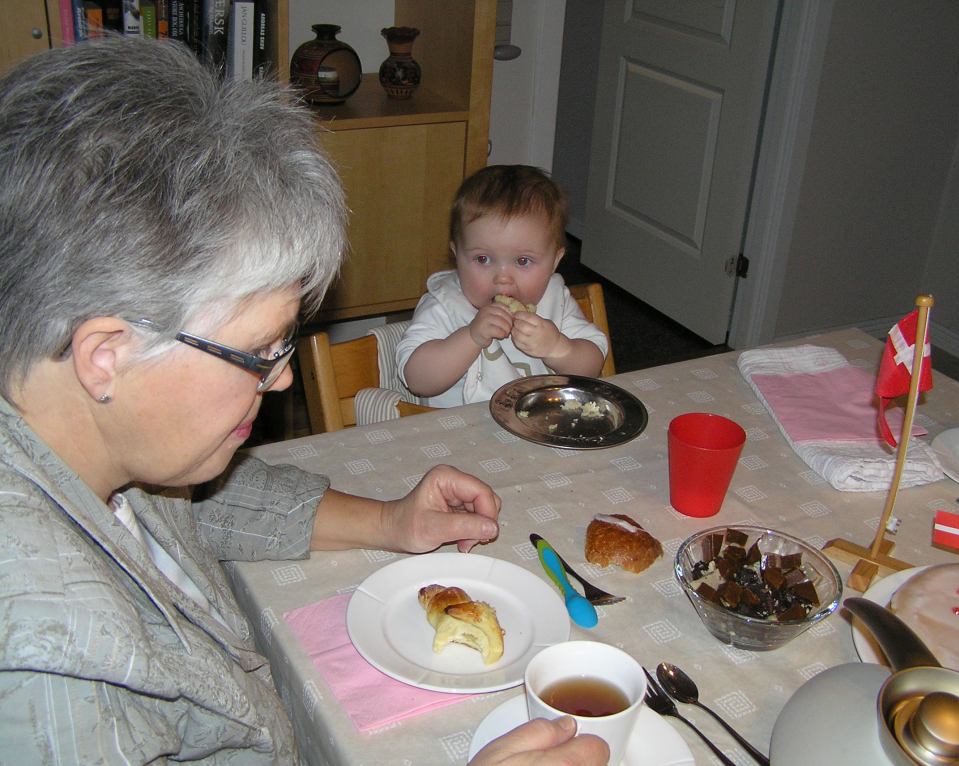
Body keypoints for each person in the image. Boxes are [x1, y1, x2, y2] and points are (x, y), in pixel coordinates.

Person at [0, 36, 607, 766]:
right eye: (257, 350)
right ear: (107, 354)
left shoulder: (92, 441)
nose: (284, 379)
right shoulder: (54, 668)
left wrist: (390, 520)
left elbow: (204, 504)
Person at [397, 165, 608, 407]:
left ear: (554, 262)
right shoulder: (444, 304)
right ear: (456, 255)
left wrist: (558, 348)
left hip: (542, 419)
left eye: (523, 261)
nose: (503, 278)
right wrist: (471, 337)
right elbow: (417, 380)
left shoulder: (555, 299)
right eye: (483, 259)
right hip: (463, 428)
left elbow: (592, 365)